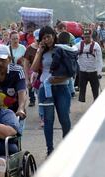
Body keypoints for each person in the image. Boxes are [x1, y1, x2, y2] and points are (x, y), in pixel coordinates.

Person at [31, 26, 72, 156]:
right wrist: (39, 51)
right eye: (44, 38)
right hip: (45, 88)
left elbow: (71, 70)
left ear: (54, 36)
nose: (47, 39)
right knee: (48, 120)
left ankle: (66, 146)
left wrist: (60, 79)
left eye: (49, 36)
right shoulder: (42, 51)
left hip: (62, 87)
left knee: (64, 118)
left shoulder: (62, 49)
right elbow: (34, 68)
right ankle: (50, 149)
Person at [76, 29, 103, 102]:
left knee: (95, 89)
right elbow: (73, 54)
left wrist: (99, 72)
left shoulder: (96, 46)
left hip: (93, 71)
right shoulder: (78, 45)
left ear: (91, 36)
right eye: (85, 37)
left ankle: (96, 101)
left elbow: (99, 59)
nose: (86, 39)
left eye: (88, 37)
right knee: (82, 88)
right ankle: (82, 99)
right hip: (83, 71)